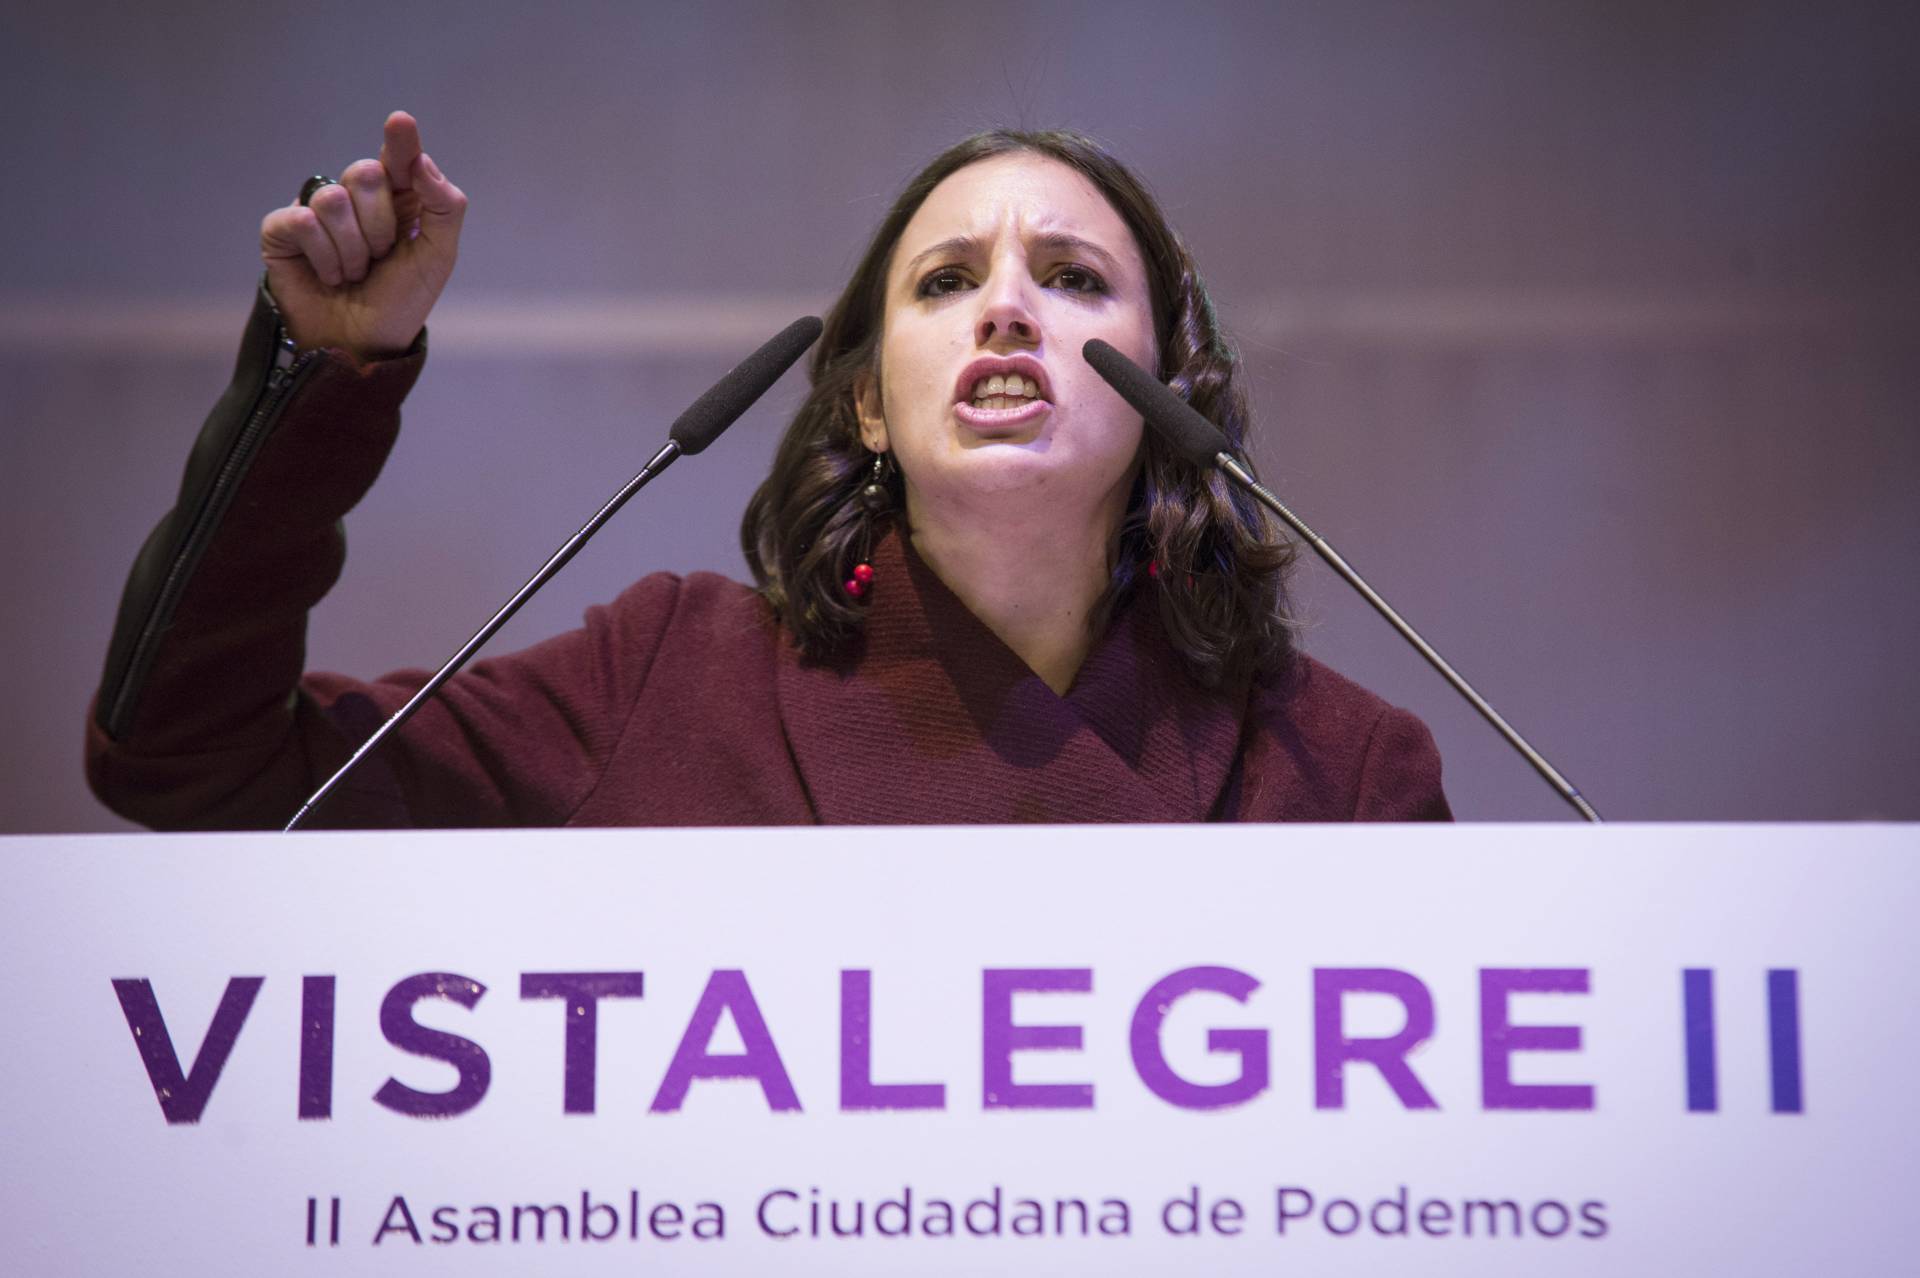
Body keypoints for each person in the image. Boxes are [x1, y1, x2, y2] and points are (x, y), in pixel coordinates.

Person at [86, 113, 1450, 828]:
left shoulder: (1340, 764)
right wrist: (327, 378)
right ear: (864, 400)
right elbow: (188, 766)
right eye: (949, 279)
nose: (1008, 312)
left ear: (1171, 387)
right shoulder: (668, 675)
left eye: (1076, 278)